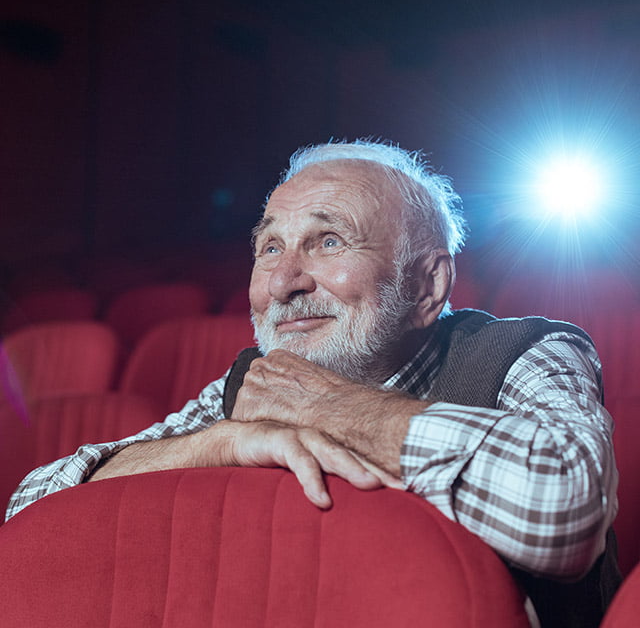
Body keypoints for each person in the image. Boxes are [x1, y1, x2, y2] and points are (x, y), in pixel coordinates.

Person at [6, 140, 619, 626]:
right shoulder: (251, 384)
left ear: (429, 286)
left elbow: (565, 511)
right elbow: (32, 511)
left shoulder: (529, 351)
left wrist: (331, 408)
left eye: (328, 241)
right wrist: (211, 445)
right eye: (270, 247)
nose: (283, 283)